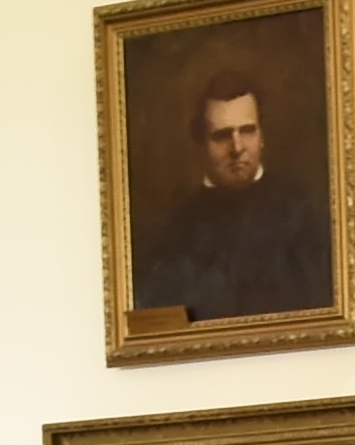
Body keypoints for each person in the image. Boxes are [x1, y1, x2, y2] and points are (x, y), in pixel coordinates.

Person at [140, 68, 331, 320]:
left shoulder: (302, 213)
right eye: (222, 136)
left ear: (261, 136)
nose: (237, 147)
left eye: (248, 130)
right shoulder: (174, 229)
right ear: (201, 146)